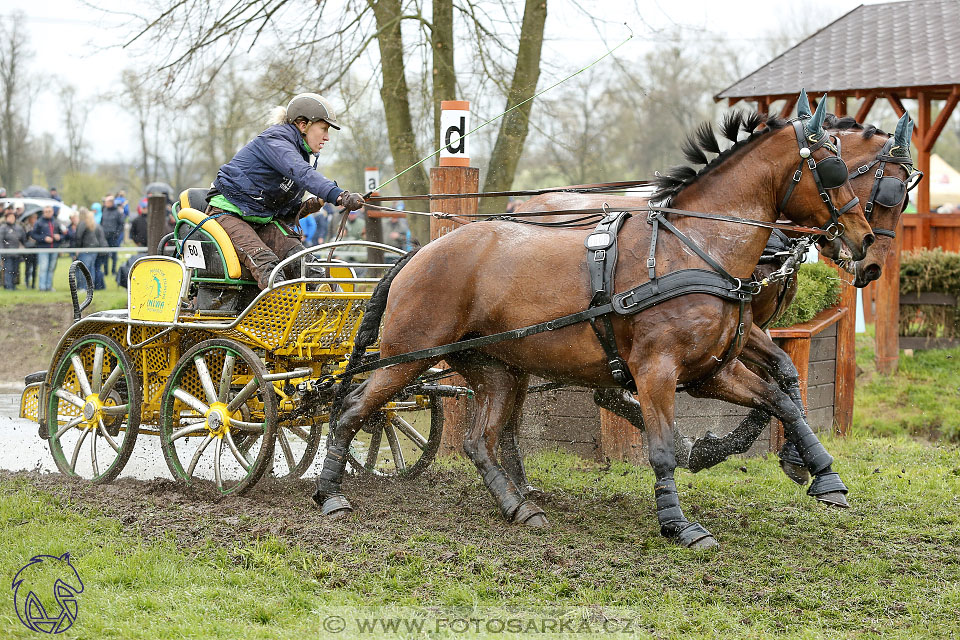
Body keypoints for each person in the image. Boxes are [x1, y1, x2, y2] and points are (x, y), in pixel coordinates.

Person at [204, 93, 365, 289]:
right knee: (266, 264)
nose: (327, 137)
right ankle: (283, 312)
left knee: (303, 262)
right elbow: (302, 173)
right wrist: (339, 195)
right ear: (303, 124)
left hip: (259, 220)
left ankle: (337, 308)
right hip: (226, 214)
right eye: (323, 129)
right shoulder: (276, 141)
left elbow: (285, 212)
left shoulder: (301, 153)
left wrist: (318, 202)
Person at [30, 205, 63, 291]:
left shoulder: (56, 222)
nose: (48, 213)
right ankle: (42, 287)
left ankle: (49, 286)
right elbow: (33, 234)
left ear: (52, 212)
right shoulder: (39, 222)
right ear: (43, 212)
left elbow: (63, 234)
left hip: (54, 248)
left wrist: (59, 237)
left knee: (51, 268)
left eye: (49, 211)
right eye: (46, 211)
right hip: (43, 248)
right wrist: (43, 238)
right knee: (43, 268)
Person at [74, 208, 108, 290]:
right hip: (93, 249)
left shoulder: (83, 223)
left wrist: (77, 249)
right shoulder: (92, 224)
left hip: (86, 249)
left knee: (83, 269)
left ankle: (83, 287)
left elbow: (78, 237)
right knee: (91, 269)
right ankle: (90, 287)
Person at [1, 206, 25, 289]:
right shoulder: (3, 228)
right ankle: (8, 287)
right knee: (8, 270)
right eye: (9, 217)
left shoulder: (19, 228)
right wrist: (3, 253)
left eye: (13, 217)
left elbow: (23, 240)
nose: (11, 219)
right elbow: (1, 241)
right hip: (7, 254)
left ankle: (13, 286)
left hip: (17, 254)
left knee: (15, 270)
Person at [100, 195, 124, 274]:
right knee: (105, 254)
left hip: (113, 237)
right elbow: (101, 222)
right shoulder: (104, 210)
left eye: (107, 202)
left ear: (111, 202)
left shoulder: (117, 212)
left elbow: (121, 224)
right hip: (105, 237)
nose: (105, 203)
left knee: (114, 255)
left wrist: (116, 234)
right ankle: (106, 271)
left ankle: (113, 270)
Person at [20, 211, 37, 289]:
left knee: (35, 268)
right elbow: (23, 238)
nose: (35, 220)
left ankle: (33, 284)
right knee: (28, 267)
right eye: (33, 218)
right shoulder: (25, 227)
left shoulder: (37, 227)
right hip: (28, 250)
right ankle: (27, 283)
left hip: (35, 249)